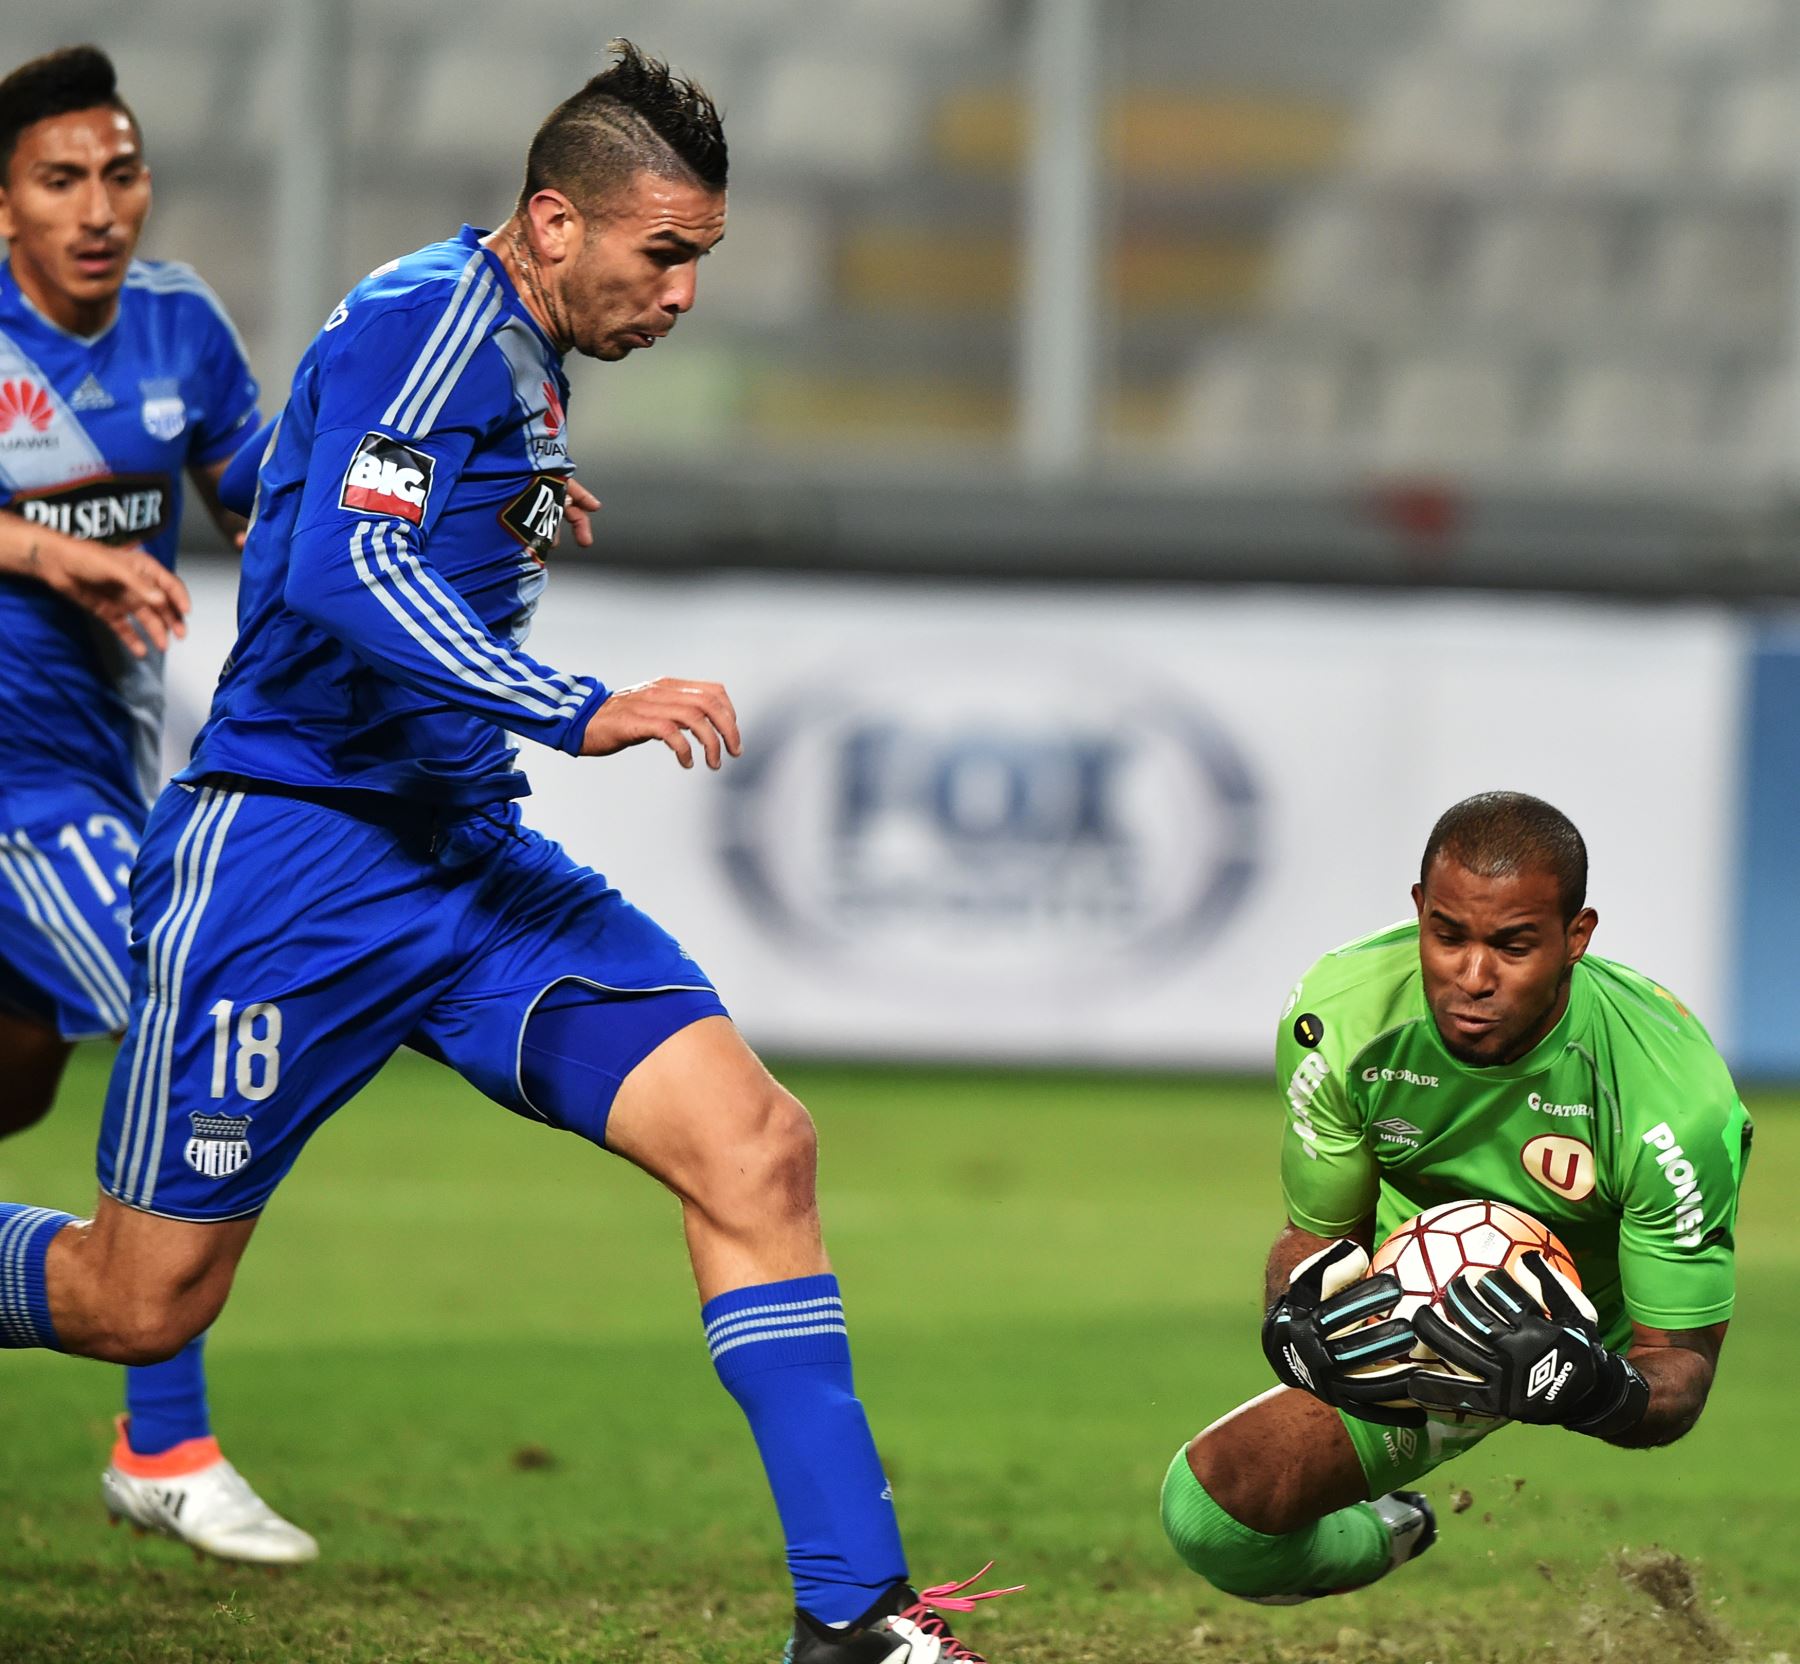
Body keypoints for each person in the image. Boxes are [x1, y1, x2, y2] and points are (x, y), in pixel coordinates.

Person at [0, 41, 1013, 1663]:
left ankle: (857, 1617)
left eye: (701, 258)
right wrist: (576, 701)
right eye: (661, 252)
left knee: (754, 1146)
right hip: (291, 862)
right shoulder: (433, 324)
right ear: (554, 222)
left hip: (464, 868)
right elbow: (338, 567)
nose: (682, 291)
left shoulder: (507, 357)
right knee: (140, 1299)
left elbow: (335, 486)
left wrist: (521, 498)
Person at [1159, 791, 1751, 1605]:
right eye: (1448, 936)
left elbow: (1680, 1362)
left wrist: (1598, 1388)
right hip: (1416, 1280)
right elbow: (1314, 1236)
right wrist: (1291, 1317)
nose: (1472, 978)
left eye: (1513, 946)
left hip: (1585, 1319)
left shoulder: (1671, 1104)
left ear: (1576, 938)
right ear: (1418, 912)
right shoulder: (1340, 1018)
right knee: (1212, 1515)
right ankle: (1395, 1524)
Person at [0, 43, 315, 1564]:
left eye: (120, 172)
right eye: (63, 177)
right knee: (178, 1000)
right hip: (17, 788)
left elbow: (267, 502)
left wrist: (466, 496)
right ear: (5, 201)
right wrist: (54, 552)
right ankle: (163, 1436)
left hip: (103, 766)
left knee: (11, 1092)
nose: (99, 205)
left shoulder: (179, 324)